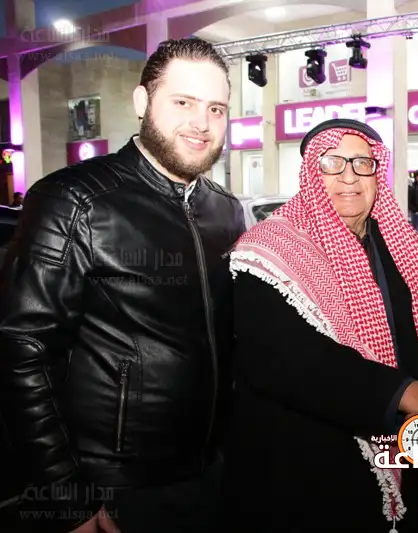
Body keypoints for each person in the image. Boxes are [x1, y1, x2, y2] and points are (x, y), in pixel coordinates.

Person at [0, 38, 245, 533]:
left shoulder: (225, 209)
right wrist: (67, 497)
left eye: (215, 108)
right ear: (142, 102)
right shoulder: (74, 201)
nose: (201, 123)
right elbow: (23, 350)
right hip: (115, 489)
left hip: (212, 473)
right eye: (183, 102)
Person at [225, 118, 418, 533]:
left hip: (412, 441)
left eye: (362, 163)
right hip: (318, 462)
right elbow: (290, 362)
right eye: (332, 163)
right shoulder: (269, 251)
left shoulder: (404, 246)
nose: (349, 177)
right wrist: (411, 395)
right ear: (311, 173)